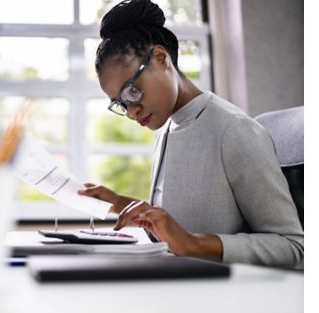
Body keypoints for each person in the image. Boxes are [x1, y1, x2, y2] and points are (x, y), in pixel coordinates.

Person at [78, 0, 303, 267]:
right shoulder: (167, 129)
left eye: (131, 91)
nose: (130, 111)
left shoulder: (234, 130)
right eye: (121, 103)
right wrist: (119, 202)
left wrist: (194, 243)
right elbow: (176, 231)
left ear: (161, 59)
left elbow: (292, 246)